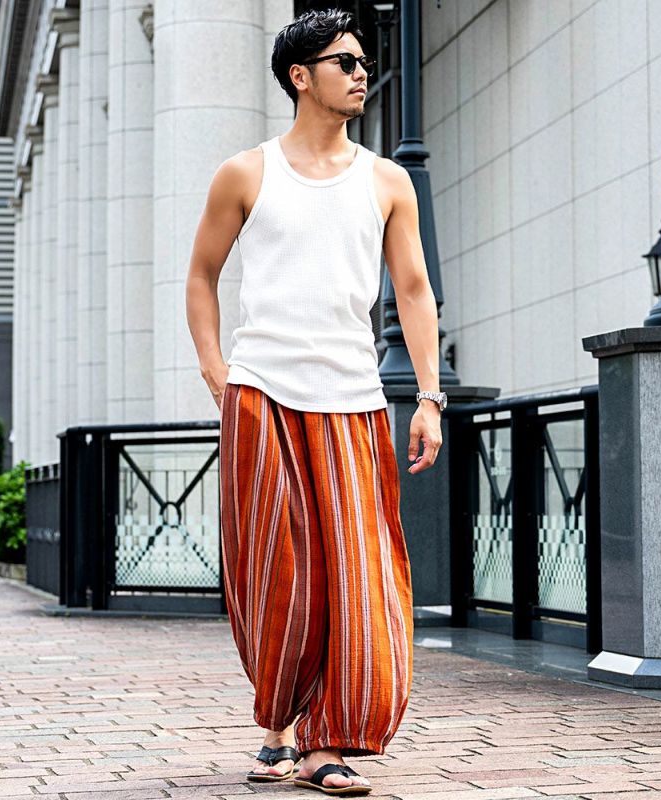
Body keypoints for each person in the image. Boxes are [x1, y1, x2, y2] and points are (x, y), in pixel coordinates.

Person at [185, 8, 444, 795]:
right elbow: (201, 276)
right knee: (276, 573)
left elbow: (413, 290)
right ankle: (278, 724)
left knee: (358, 575)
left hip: (353, 399)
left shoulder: (387, 180)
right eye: (344, 62)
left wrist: (429, 397)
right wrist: (217, 372)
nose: (361, 74)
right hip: (262, 395)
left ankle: (326, 741)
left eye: (363, 62)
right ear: (301, 76)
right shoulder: (246, 173)